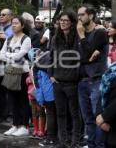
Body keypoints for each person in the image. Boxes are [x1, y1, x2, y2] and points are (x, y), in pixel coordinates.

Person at [48, 10, 82, 148]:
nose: (62, 22)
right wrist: (51, 75)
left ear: (72, 22)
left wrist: (77, 76)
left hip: (72, 82)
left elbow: (80, 58)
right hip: (58, 81)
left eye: (66, 20)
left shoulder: (77, 38)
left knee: (74, 114)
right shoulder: (56, 38)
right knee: (60, 113)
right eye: (61, 20)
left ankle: (75, 141)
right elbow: (51, 58)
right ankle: (63, 141)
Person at [77, 4, 108, 148]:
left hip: (96, 80)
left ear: (91, 15)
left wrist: (82, 36)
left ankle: (99, 145)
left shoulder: (100, 33)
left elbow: (88, 53)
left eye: (82, 15)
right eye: (78, 15)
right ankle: (90, 144)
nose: (79, 18)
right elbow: (81, 57)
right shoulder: (79, 34)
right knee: (87, 118)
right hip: (82, 80)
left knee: (98, 117)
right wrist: (87, 55)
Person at [0, 16, 31, 137]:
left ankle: (24, 126)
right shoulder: (9, 38)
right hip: (10, 71)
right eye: (12, 23)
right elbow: (1, 55)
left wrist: (8, 56)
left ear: (22, 25)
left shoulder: (26, 39)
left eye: (16, 23)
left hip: (22, 72)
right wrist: (11, 55)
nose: (13, 25)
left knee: (22, 99)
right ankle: (15, 124)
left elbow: (21, 55)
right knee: (12, 99)